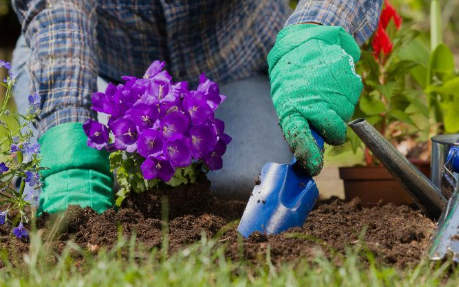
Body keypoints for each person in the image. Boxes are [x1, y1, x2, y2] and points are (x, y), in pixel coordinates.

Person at [11, 0, 383, 214]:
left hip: (232, 61)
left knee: (245, 184)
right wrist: (69, 141)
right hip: (102, 71)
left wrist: (317, 29)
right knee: (58, 192)